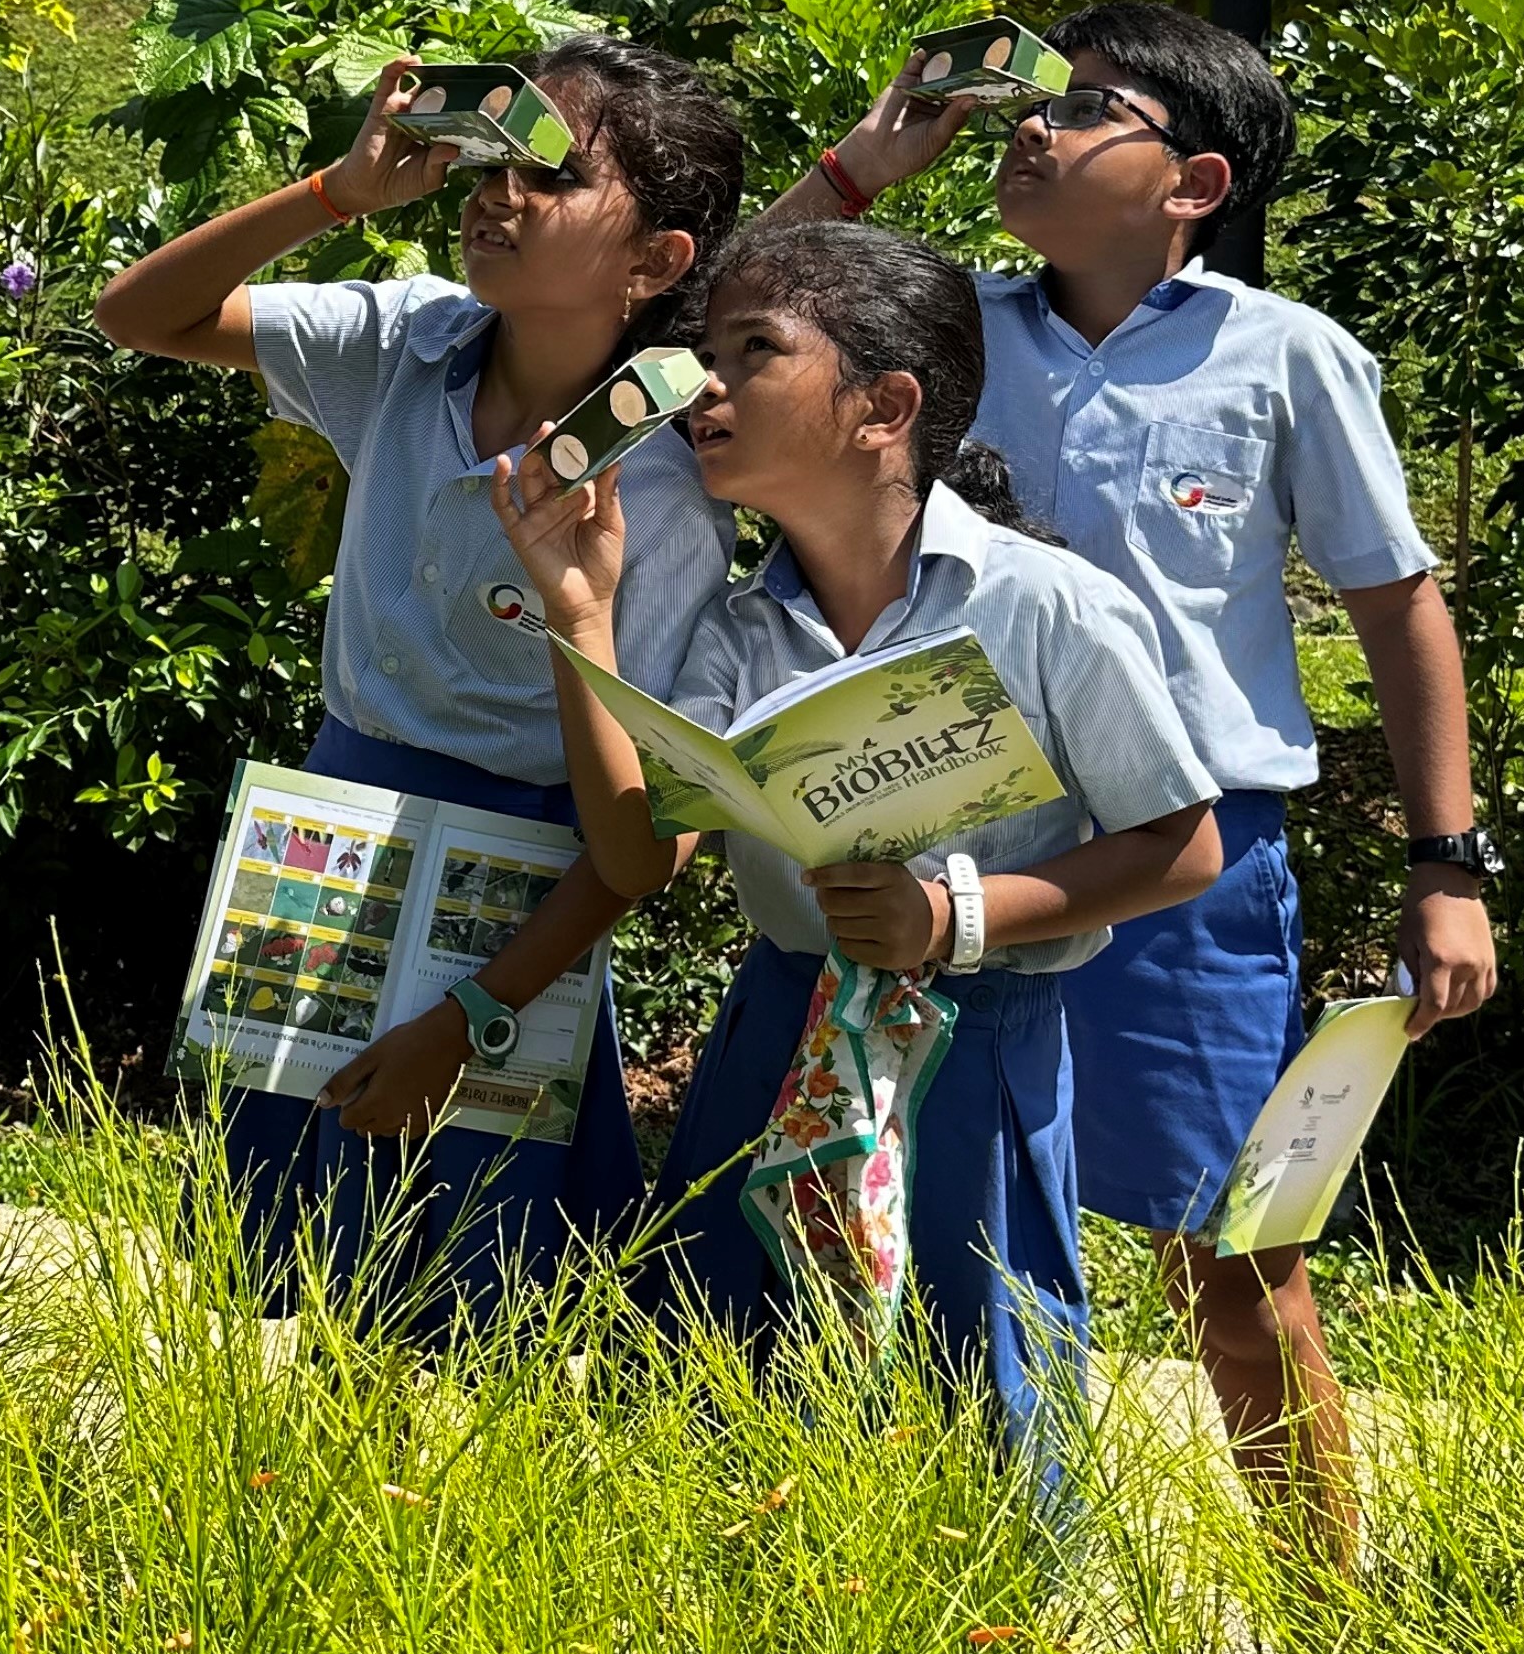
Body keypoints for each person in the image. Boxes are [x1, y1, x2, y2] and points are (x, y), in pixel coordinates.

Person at [766, 0, 1502, 1562]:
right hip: (955, 856)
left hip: (1189, 868)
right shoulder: (945, 332)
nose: (1028, 127)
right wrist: (861, 168)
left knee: (1236, 1262)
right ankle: (962, 1572)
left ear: (1197, 181)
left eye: (1087, 109)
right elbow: (728, 329)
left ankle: (1331, 1616)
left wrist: (1450, 862)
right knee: (932, 1229)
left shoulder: (1286, 354)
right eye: (1030, 105)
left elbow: (1395, 604)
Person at [497, 218, 1222, 1460]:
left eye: (753, 350)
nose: (702, 386)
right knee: (725, 1347)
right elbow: (633, 859)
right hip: (775, 1021)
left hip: (976, 1039)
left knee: (979, 1348)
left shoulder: (1045, 607)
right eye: (701, 350)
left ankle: (991, 1629)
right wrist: (582, 613)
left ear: (884, 404)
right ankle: (741, 1625)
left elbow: (1181, 846)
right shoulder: (739, 630)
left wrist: (958, 918)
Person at [95, 37, 744, 1323]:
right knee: (282, 1256)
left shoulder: (667, 489)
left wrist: (472, 1016)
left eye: (552, 178)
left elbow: (646, 831)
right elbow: (137, 315)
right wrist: (335, 195)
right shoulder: (406, 340)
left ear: (657, 263)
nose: (497, 193)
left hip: (527, 891)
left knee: (471, 1282)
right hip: (340, 831)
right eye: (491, 159)